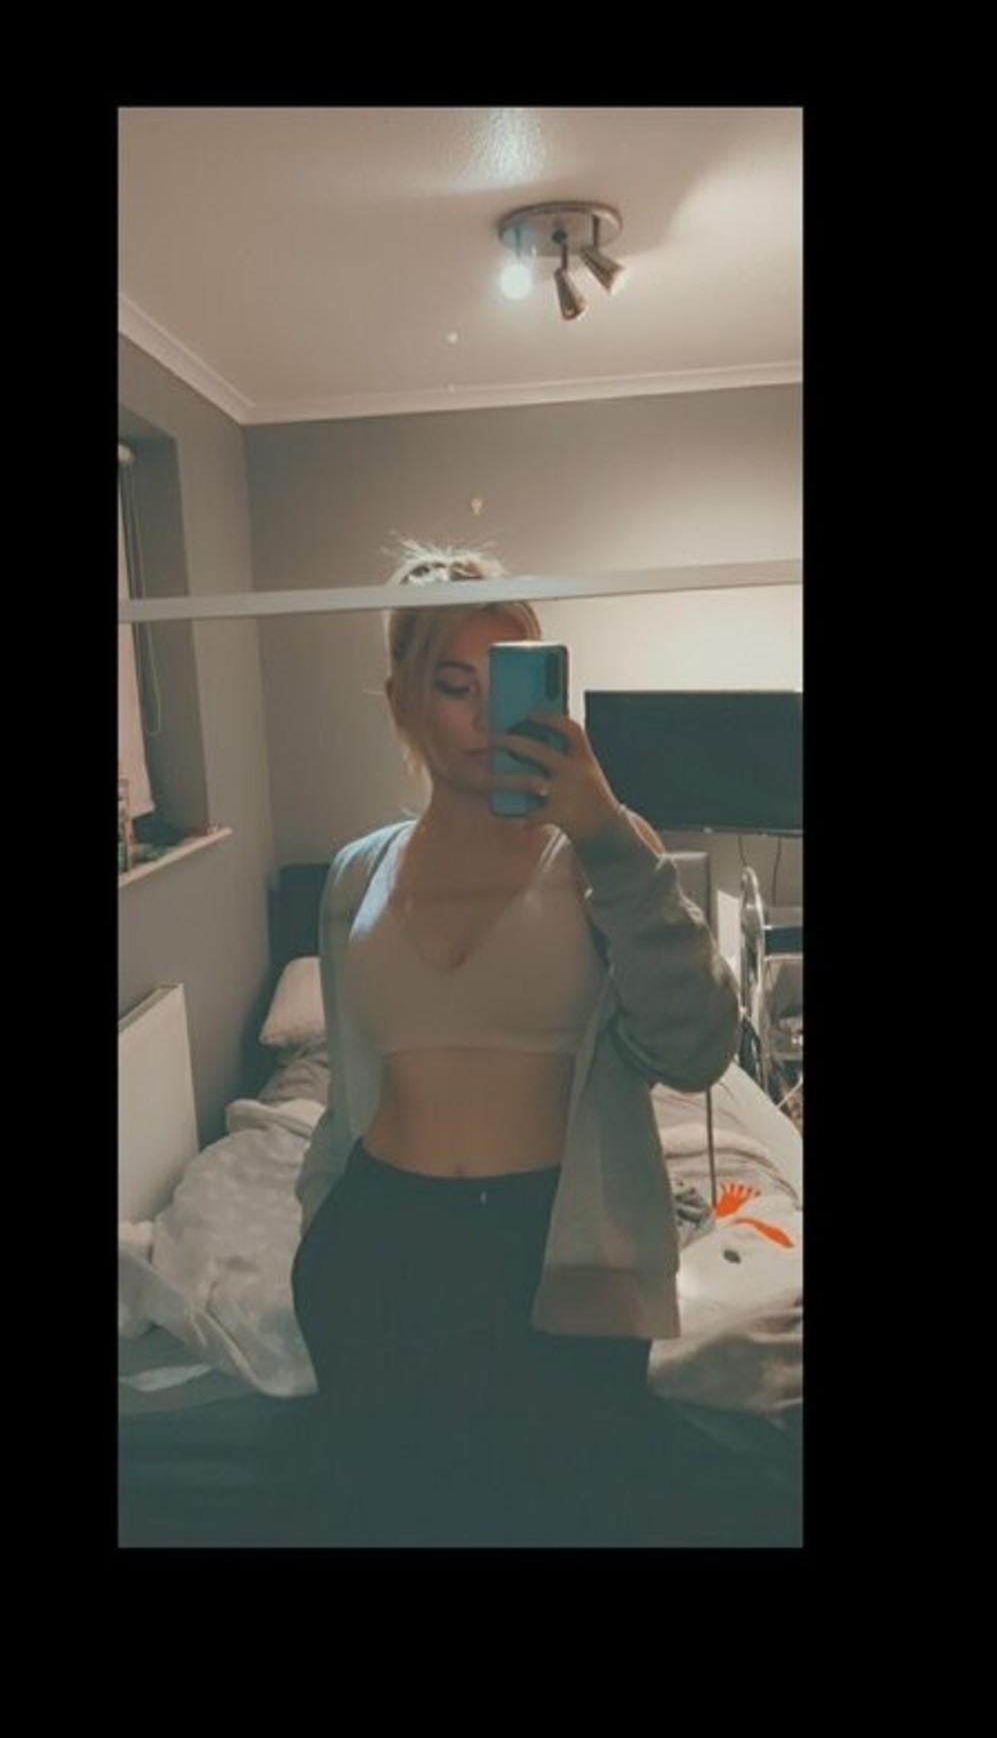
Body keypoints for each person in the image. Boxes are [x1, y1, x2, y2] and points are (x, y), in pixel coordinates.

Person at [290, 541, 747, 1547]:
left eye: (506, 688)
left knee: (561, 1511)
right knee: (391, 1516)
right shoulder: (352, 877)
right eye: (453, 686)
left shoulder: (600, 853)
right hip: (376, 1245)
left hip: (551, 1248)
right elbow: (346, 1091)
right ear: (401, 700)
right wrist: (320, 1222)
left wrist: (607, 832)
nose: (484, 718)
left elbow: (700, 1046)